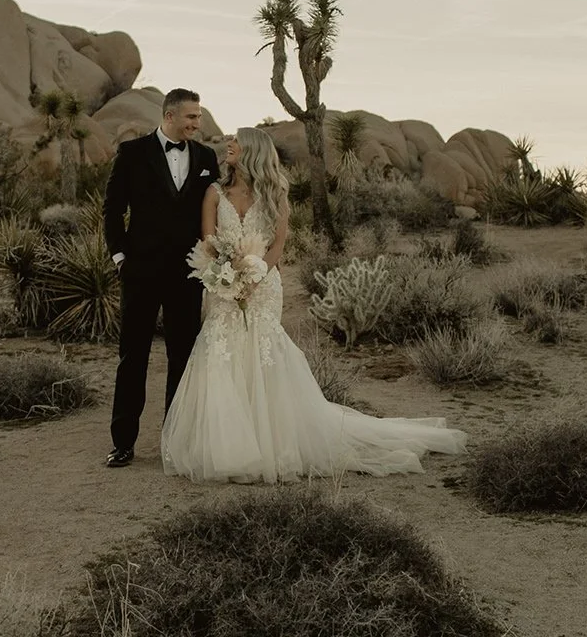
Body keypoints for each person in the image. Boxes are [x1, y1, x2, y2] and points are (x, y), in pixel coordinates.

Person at [161, 125, 467, 483]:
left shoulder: (276, 192)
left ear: (254, 150)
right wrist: (226, 274)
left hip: (263, 286)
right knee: (222, 352)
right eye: (229, 141)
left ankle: (269, 444)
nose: (229, 145)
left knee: (263, 352)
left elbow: (277, 245)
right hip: (223, 286)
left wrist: (256, 274)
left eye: (236, 141)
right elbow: (208, 240)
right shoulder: (214, 192)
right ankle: (229, 447)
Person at [101, 88, 219, 468]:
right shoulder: (133, 154)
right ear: (169, 115)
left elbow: (215, 211)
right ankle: (123, 443)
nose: (197, 124)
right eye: (191, 117)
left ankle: (175, 441)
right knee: (132, 356)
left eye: (199, 118)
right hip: (141, 273)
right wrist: (121, 257)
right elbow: (112, 209)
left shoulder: (205, 157)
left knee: (182, 357)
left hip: (187, 274)